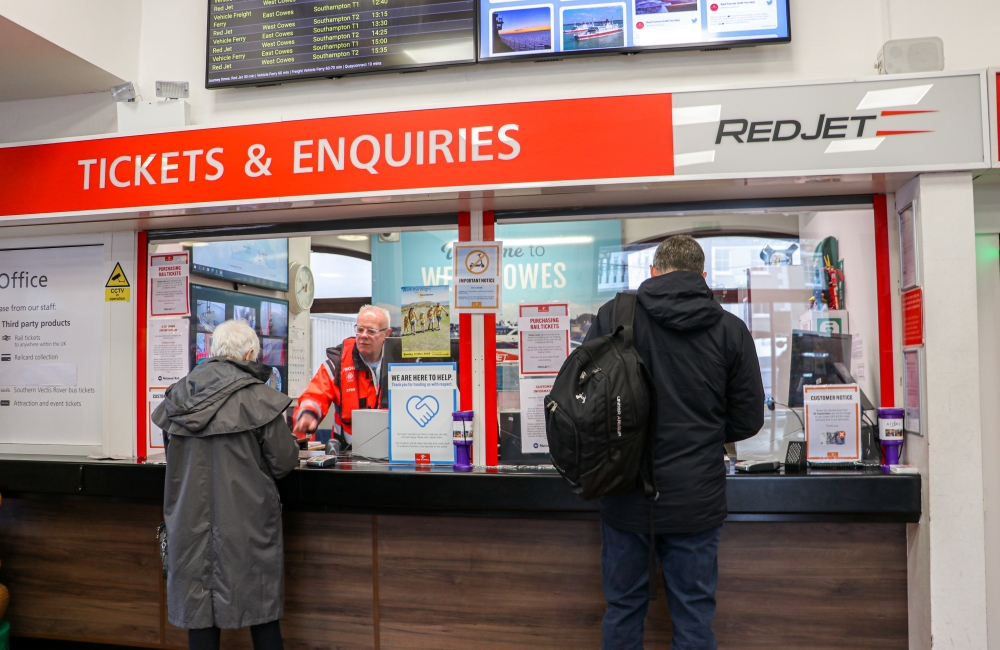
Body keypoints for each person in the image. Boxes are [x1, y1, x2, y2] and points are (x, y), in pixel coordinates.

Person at [585, 235, 764, 650]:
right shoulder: (730, 330)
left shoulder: (614, 315)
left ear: (653, 272)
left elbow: (586, 403)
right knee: (694, 617)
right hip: (695, 498)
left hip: (624, 490)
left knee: (624, 609)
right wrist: (702, 433)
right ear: (704, 276)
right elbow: (748, 418)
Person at [152, 319, 300, 650]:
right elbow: (284, 461)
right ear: (250, 353)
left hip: (189, 523)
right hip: (248, 524)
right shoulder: (260, 399)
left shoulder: (178, 397)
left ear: (213, 352)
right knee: (260, 610)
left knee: (199, 613)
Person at [294, 305, 394, 445]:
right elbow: (315, 395)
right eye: (360, 329)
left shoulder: (401, 361)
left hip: (393, 448)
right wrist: (308, 414)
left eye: (371, 331)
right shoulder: (338, 363)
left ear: (387, 333)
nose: (363, 335)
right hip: (347, 452)